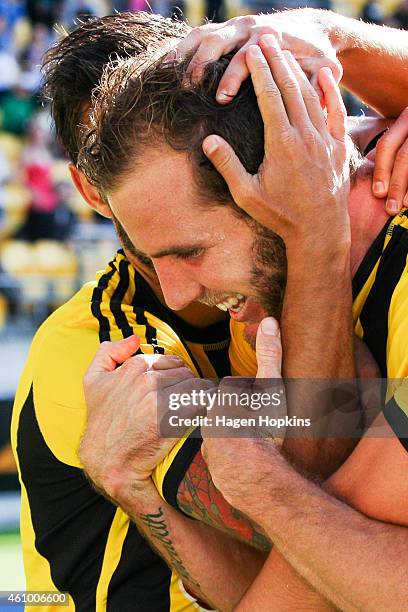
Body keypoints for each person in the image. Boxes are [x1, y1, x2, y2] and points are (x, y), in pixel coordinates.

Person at [11, 9, 408, 611]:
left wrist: (336, 40)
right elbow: (301, 557)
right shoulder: (97, 348)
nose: (174, 290)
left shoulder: (265, 302)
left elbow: (310, 528)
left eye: (192, 250)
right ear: (94, 193)